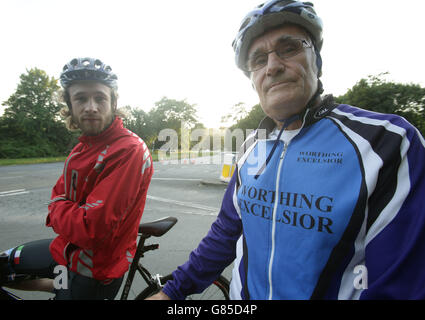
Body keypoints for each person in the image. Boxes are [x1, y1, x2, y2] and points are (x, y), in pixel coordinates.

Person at [150, 0, 425, 300]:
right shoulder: (251, 146)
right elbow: (225, 235)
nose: (272, 66)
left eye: (289, 48)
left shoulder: (388, 143)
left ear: (316, 61)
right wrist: (170, 293)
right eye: (258, 59)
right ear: (253, 79)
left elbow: (398, 285)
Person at [1, 57, 153, 299]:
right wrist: (62, 208)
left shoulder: (128, 150)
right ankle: (59, 286)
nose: (91, 106)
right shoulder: (80, 149)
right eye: (81, 98)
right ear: (69, 105)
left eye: (100, 98)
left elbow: (91, 229)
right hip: (65, 251)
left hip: (94, 270)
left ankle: (65, 288)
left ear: (114, 102)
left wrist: (58, 209)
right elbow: (59, 196)